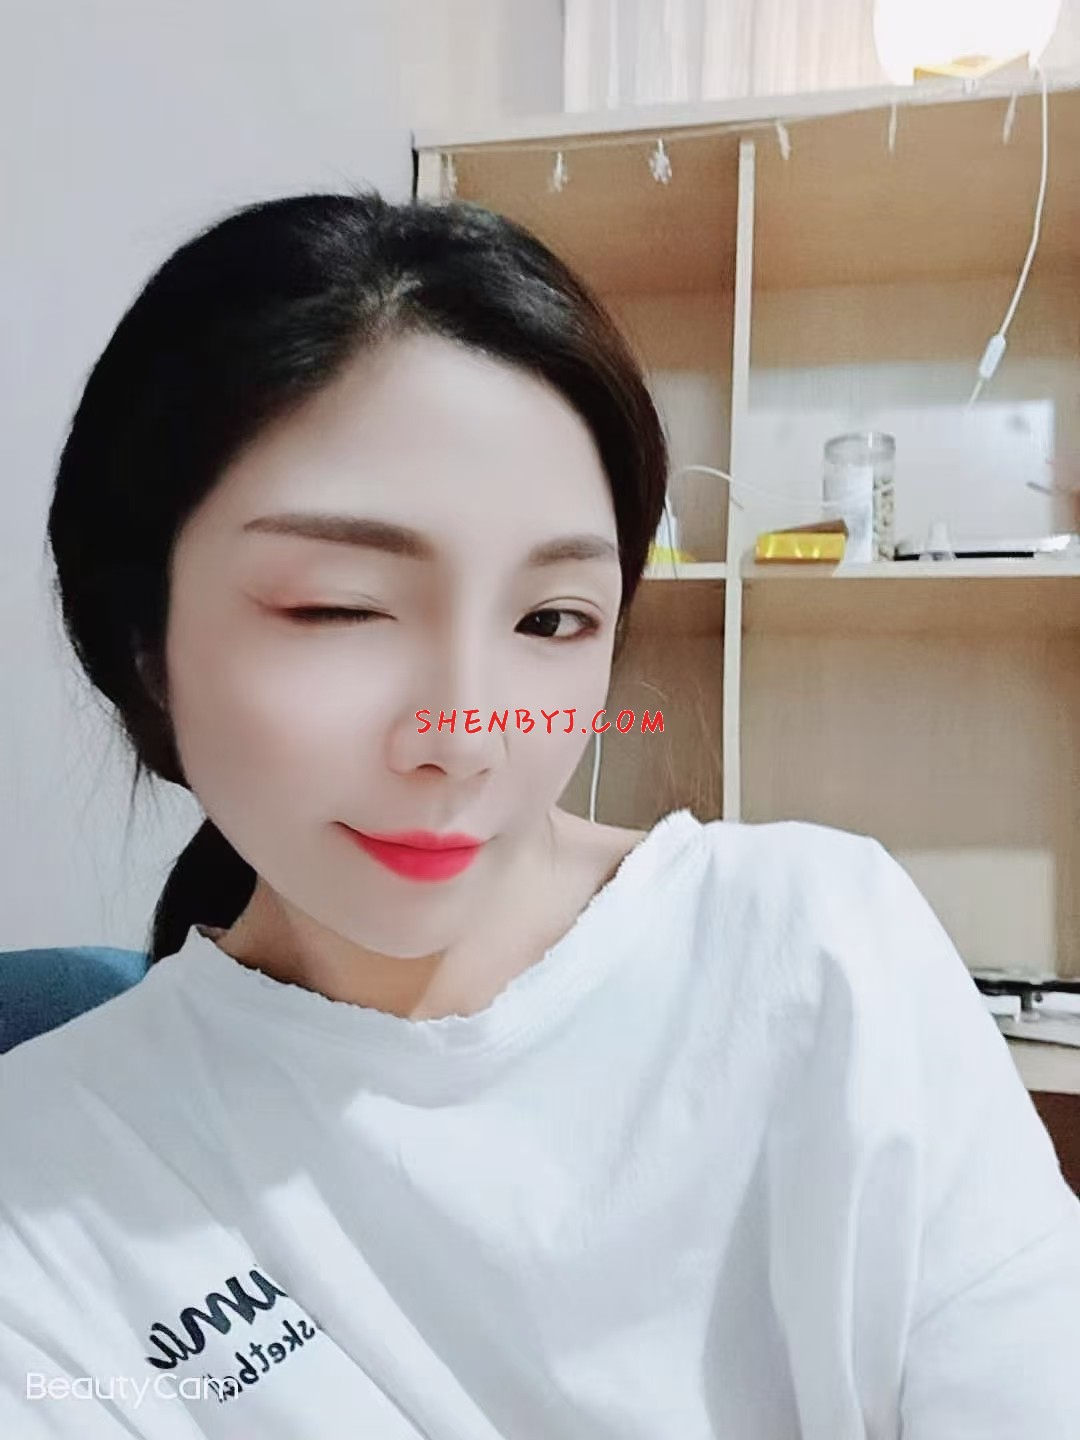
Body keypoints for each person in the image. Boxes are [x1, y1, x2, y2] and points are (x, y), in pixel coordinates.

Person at [1, 190, 1077, 1440]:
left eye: (551, 620)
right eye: (341, 608)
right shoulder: (47, 1177)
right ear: (144, 644)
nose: (467, 738)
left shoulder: (819, 952)